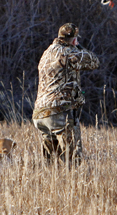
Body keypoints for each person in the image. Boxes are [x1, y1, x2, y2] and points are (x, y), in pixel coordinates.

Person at [32, 23, 100, 164]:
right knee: (72, 161)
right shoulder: (69, 53)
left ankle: (51, 184)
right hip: (59, 112)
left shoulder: (46, 53)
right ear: (74, 39)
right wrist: (79, 46)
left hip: (40, 114)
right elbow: (94, 61)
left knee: (51, 165)